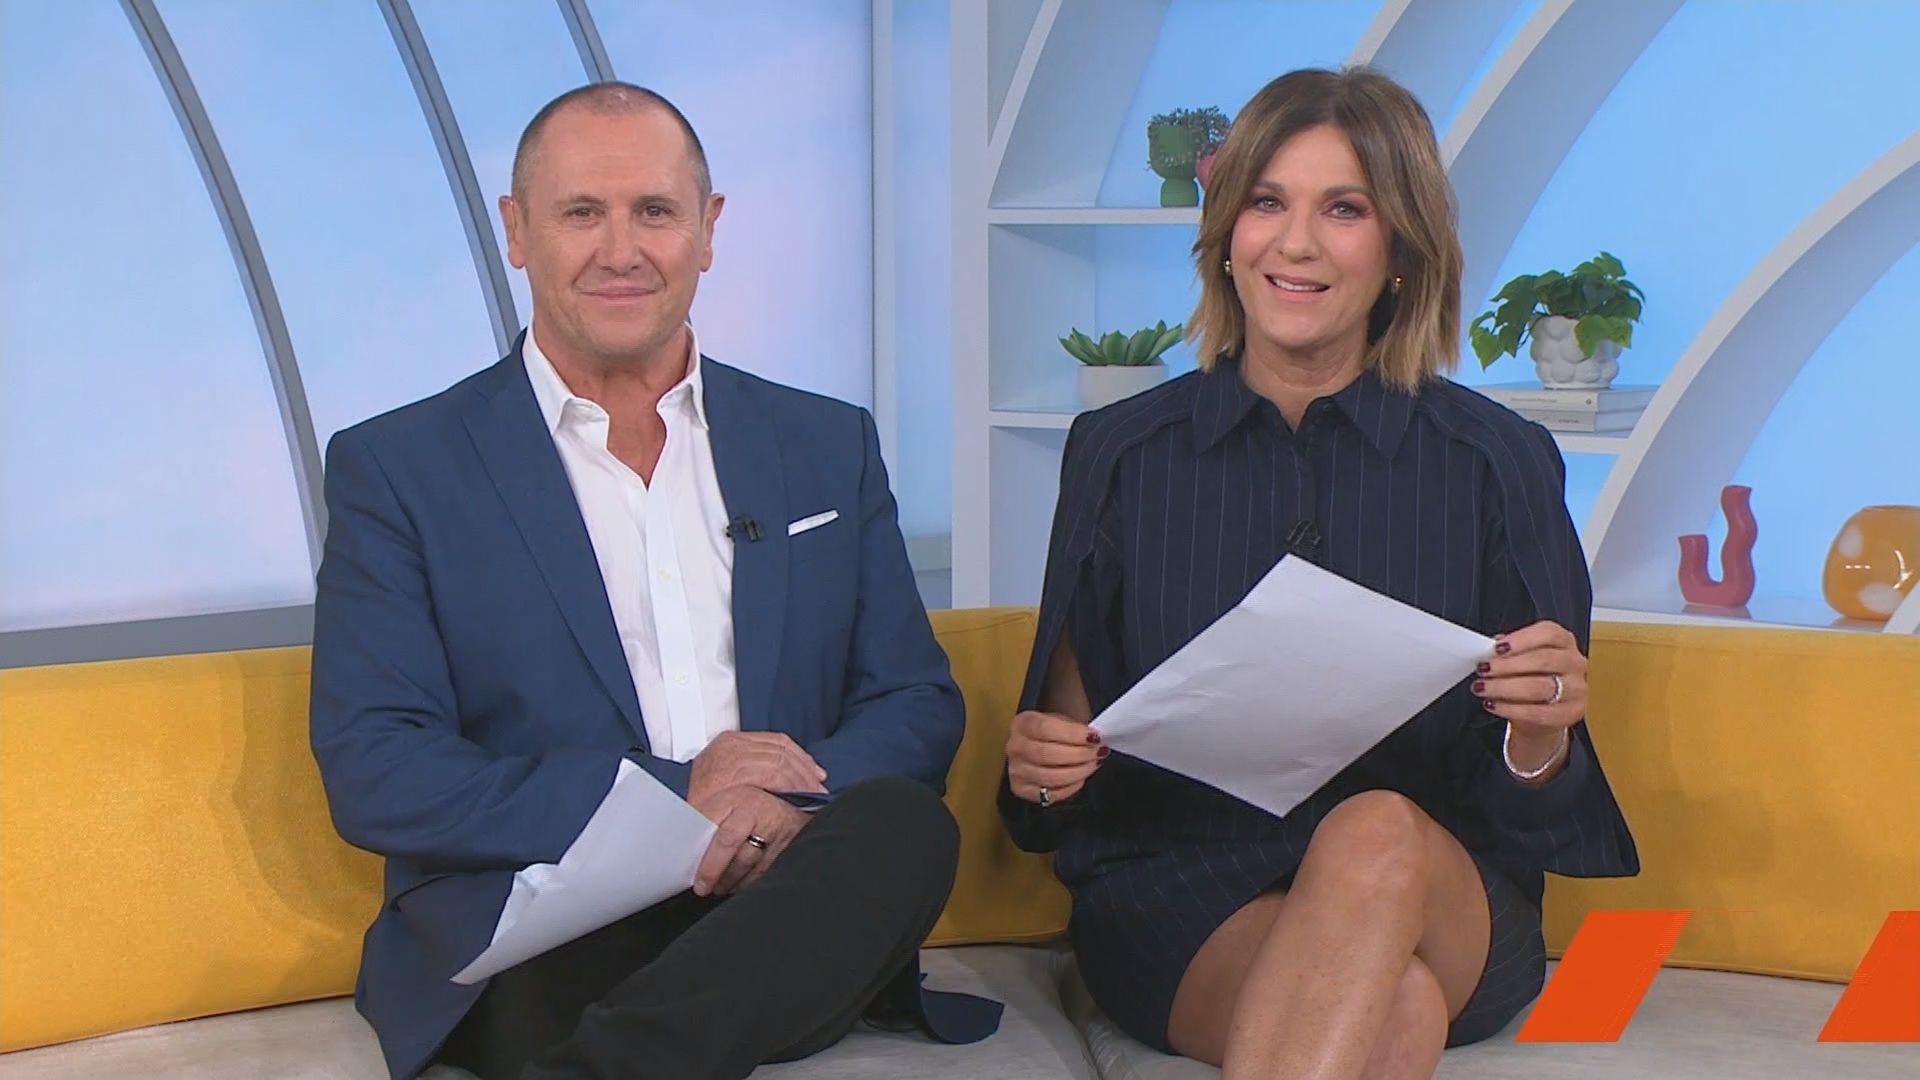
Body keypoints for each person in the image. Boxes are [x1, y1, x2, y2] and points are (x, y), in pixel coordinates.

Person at [309, 82, 995, 1080]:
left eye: (656, 212)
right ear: (517, 231)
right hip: (551, 915)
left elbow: (913, 701)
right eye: (582, 212)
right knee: (567, 980)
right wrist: (681, 797)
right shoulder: (399, 468)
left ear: (708, 230)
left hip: (777, 889)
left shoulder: (823, 443)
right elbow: (380, 769)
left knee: (903, 828)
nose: (621, 250)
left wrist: (776, 804)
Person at [999, 67, 1638, 1079]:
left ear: (1401, 252)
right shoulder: (1119, 453)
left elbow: (1533, 804)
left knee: (1374, 833)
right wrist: (1044, 768)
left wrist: (1539, 736)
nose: (1295, 244)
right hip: (1186, 893)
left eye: (1344, 209)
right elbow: (1062, 780)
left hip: (1441, 886)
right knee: (1395, 1009)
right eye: (1267, 202)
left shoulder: (1496, 459)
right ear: (1226, 234)